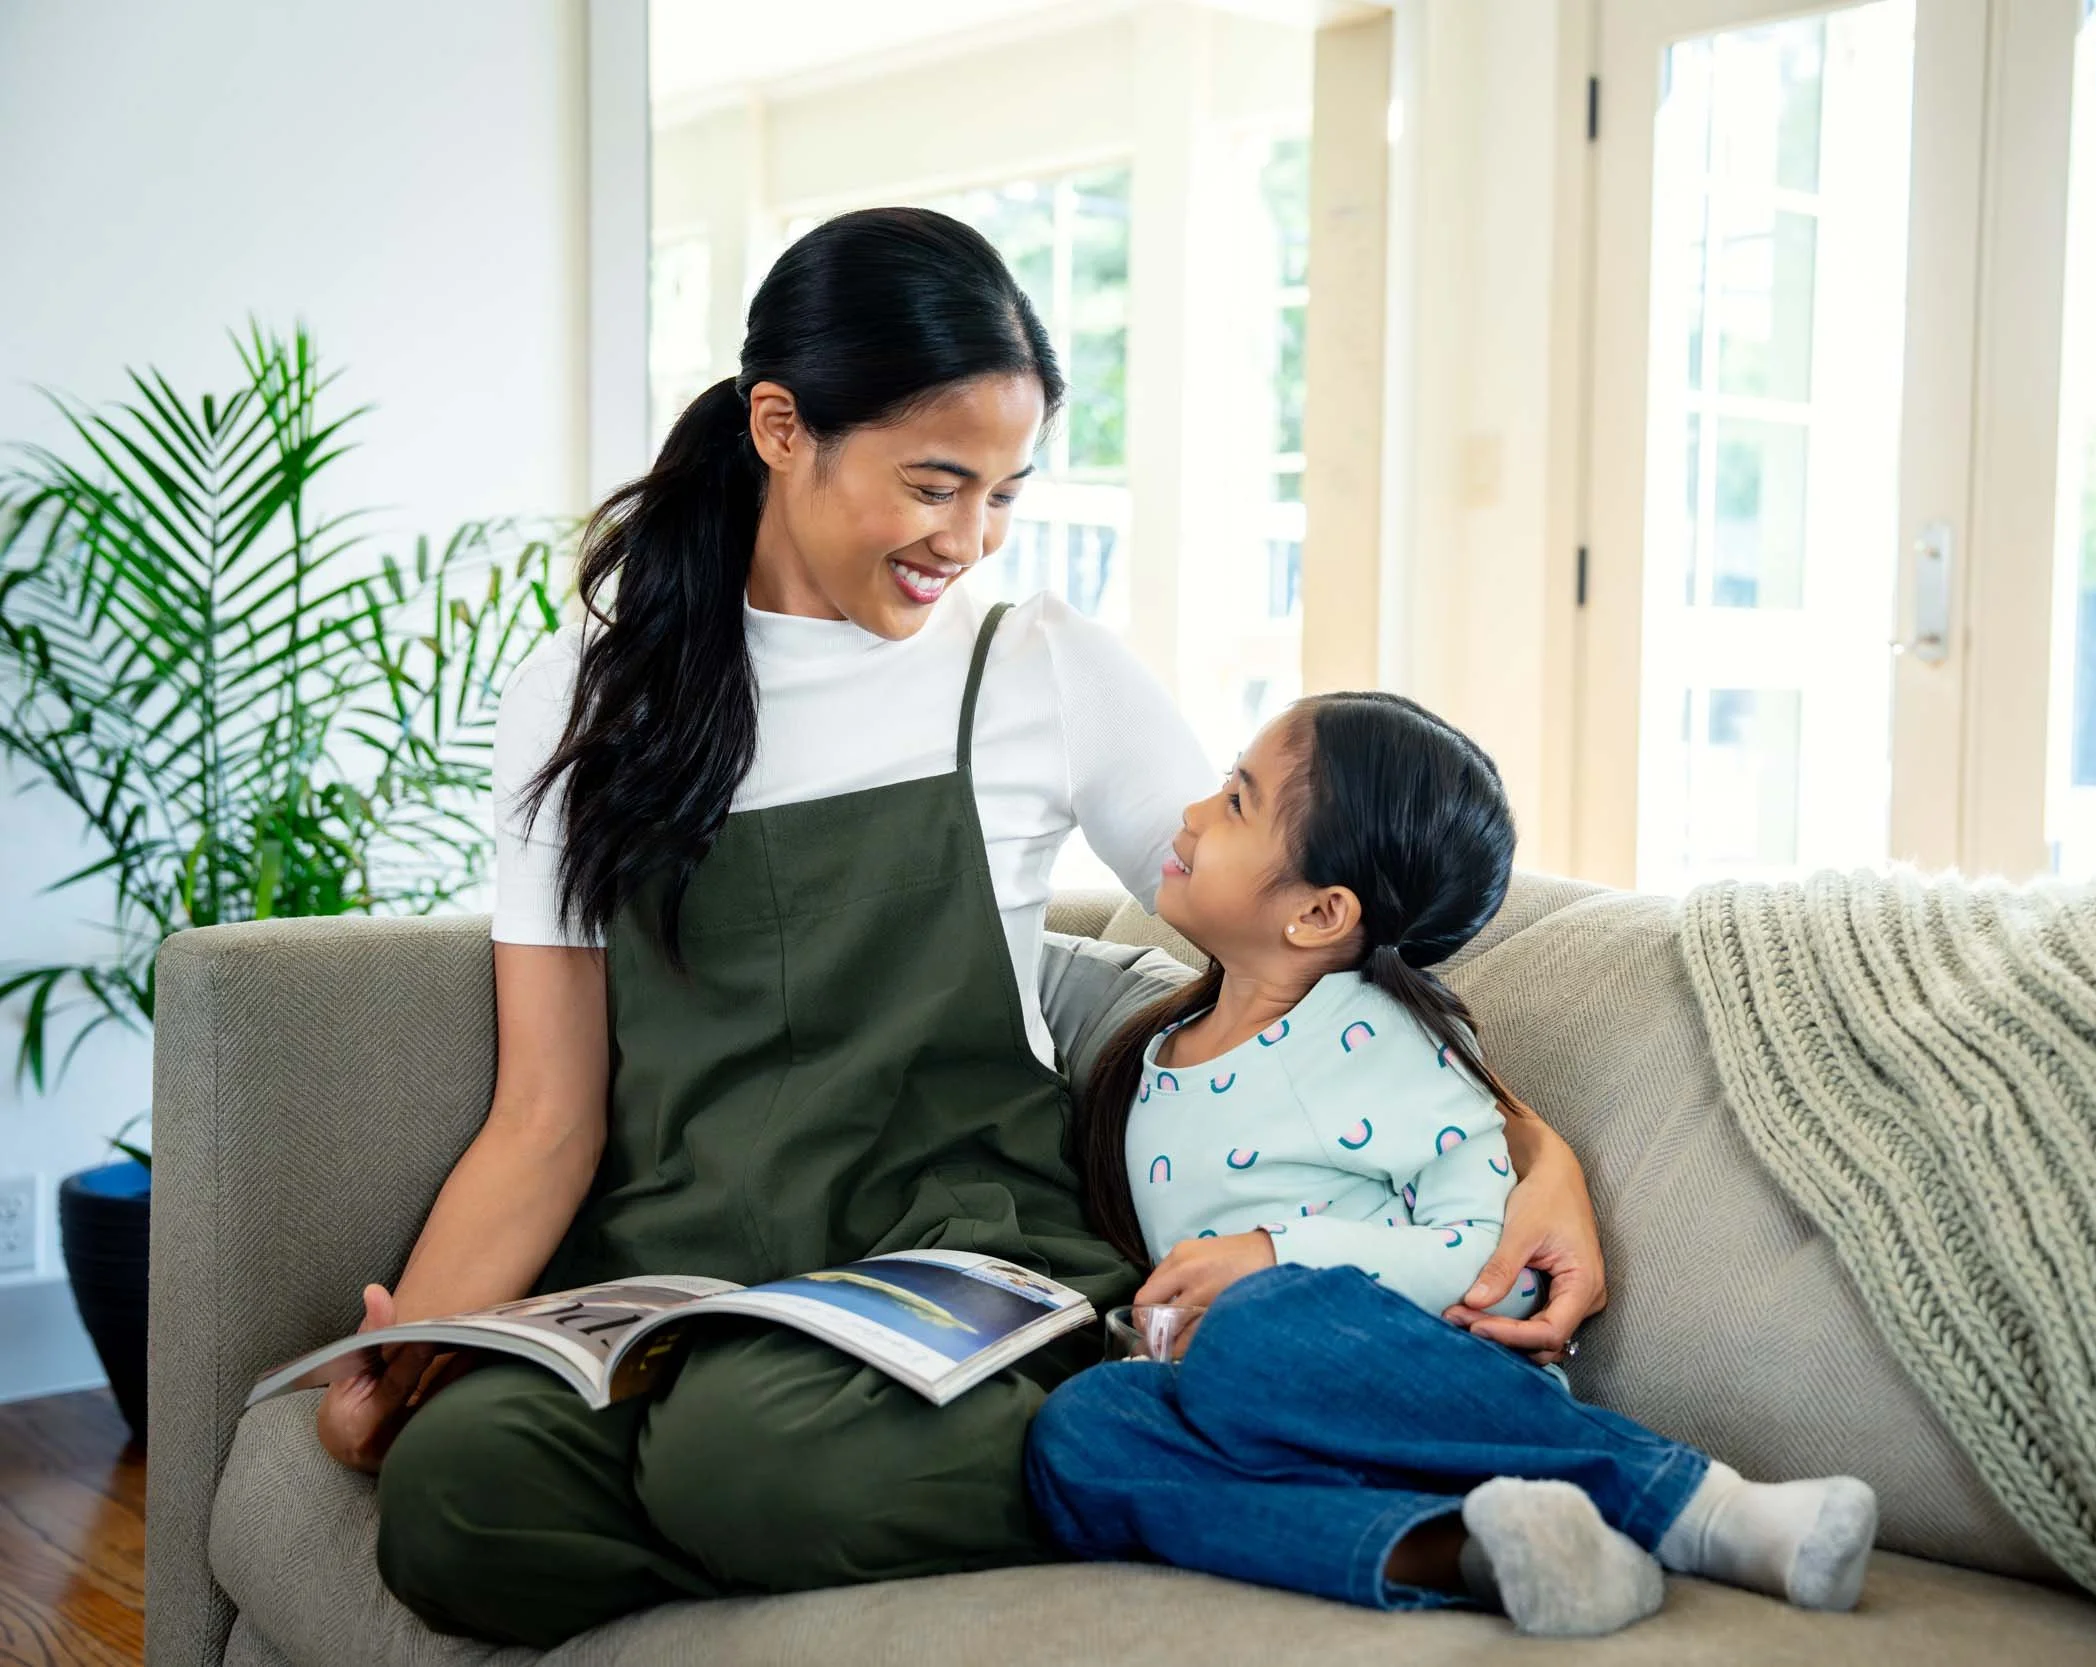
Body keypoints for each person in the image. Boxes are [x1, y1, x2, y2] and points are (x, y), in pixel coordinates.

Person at [308, 207, 1614, 1648]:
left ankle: (1204, 1450)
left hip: (950, 1251)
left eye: (1004, 493)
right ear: (781, 425)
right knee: (455, 1499)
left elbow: (1291, 930)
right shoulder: (583, 693)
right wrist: (408, 1352)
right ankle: (802, 1506)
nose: (970, 540)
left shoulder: (1037, 668)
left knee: (754, 1453)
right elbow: (546, 1115)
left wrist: (1529, 1148)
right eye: (936, 484)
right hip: (675, 1264)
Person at [1025, 693, 1879, 1637]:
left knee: (1258, 1329)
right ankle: (1478, 1553)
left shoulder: (1374, 1037)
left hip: (1425, 1394)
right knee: (1082, 1430)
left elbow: (1492, 1264)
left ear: (1318, 912)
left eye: (1235, 799)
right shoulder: (1157, 1043)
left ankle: (1703, 1507)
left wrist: (1271, 1259)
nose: (1189, 812)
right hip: (1261, 1427)